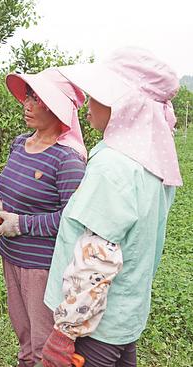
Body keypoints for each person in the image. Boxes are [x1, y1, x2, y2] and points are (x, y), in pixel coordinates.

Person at [41, 47, 182, 367]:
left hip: (94, 330)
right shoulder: (153, 160)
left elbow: (96, 259)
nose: (87, 106)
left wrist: (65, 333)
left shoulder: (113, 166)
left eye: (97, 96)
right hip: (124, 320)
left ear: (125, 105)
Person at [0, 68, 87, 367]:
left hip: (41, 267)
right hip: (11, 256)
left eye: (38, 99)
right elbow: (11, 186)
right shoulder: (20, 143)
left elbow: (73, 221)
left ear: (57, 110)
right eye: (28, 96)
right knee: (23, 332)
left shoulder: (66, 160)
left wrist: (21, 224)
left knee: (43, 342)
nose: (27, 104)